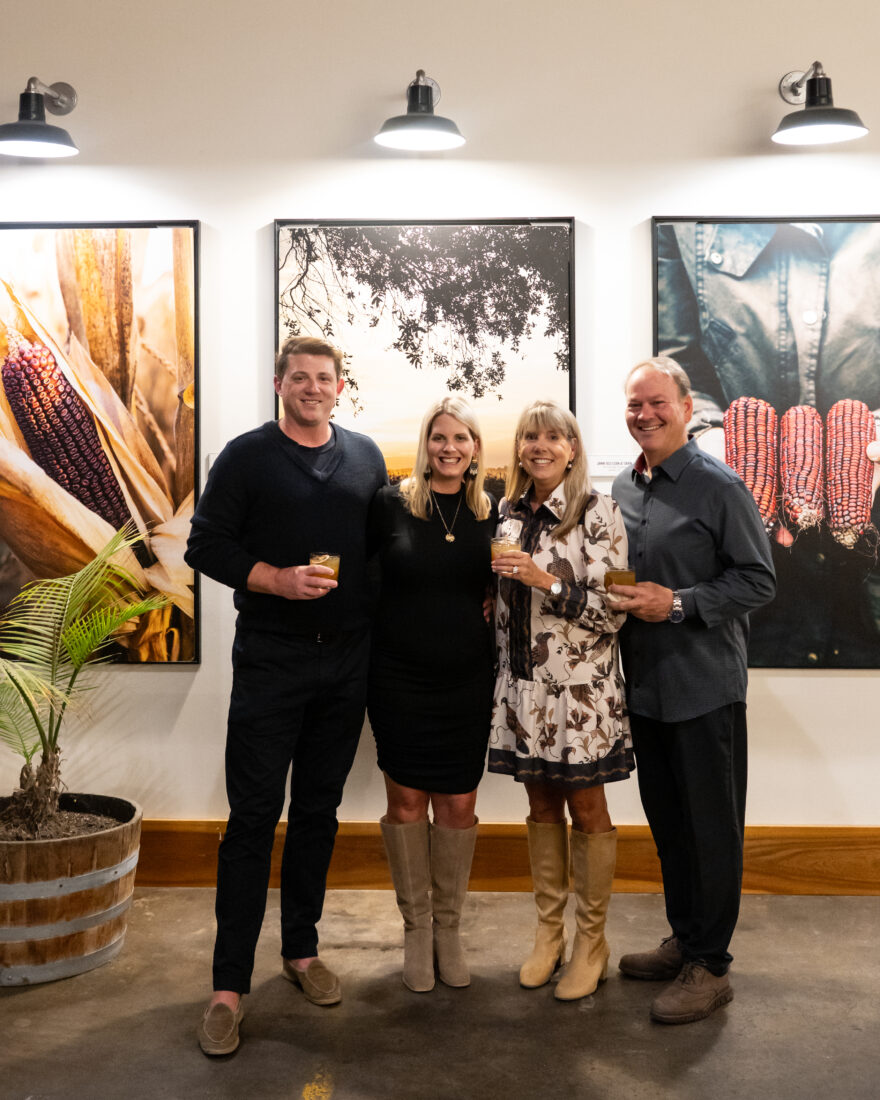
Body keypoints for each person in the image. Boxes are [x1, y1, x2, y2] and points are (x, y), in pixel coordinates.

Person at [185, 335, 387, 1055]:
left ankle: (300, 951)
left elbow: (385, 552)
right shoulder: (245, 456)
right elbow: (203, 545)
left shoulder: (365, 457)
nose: (311, 387)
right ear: (279, 385)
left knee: (318, 813)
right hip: (272, 661)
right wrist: (274, 578)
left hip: (347, 665)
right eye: (298, 377)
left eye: (323, 378)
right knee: (251, 820)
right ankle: (227, 988)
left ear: (340, 387)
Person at [611, 356, 776, 1025]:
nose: (644, 415)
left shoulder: (719, 486)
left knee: (711, 830)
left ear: (685, 407)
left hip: (703, 689)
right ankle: (685, 939)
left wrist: (676, 604)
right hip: (645, 689)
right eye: (633, 406)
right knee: (671, 827)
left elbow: (759, 581)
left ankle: (711, 965)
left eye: (656, 403)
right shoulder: (625, 485)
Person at [656, 218, 880, 667]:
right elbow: (677, 363)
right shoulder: (680, 224)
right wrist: (705, 434)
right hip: (746, 574)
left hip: (866, 579)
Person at [488, 399, 633, 1002]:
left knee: (587, 810)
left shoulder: (600, 513)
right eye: (529, 437)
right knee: (542, 808)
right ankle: (549, 936)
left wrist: (544, 580)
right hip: (522, 688)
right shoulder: (507, 512)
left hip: (580, 694)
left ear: (572, 449)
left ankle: (591, 943)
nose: (539, 446)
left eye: (553, 437)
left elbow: (614, 612)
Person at [368, 396, 497, 993]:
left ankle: (449, 928)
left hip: (467, 680)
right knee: (405, 805)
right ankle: (416, 930)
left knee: (458, 808)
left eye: (461, 440)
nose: (449, 449)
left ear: (475, 450)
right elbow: (363, 583)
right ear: (427, 444)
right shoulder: (390, 504)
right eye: (439, 438)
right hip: (398, 678)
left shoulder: (493, 513)